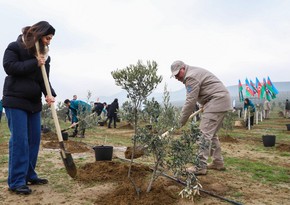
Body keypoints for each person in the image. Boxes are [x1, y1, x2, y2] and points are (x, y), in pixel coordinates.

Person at [2, 21, 56, 195]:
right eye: (47, 38)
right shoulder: (15, 47)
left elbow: (43, 80)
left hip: (34, 103)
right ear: (39, 34)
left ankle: (29, 174)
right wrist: (35, 63)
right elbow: (9, 67)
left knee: (34, 140)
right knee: (20, 141)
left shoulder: (44, 55)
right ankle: (17, 181)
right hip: (15, 100)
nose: (49, 42)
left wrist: (50, 94)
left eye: (50, 39)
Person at [171, 60, 232, 175]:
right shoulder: (193, 73)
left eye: (177, 74)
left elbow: (190, 102)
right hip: (221, 100)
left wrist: (180, 122)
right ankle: (218, 162)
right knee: (211, 134)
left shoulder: (190, 78)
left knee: (203, 134)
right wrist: (204, 102)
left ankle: (200, 166)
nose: (177, 77)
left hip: (216, 101)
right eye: (174, 75)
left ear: (183, 68)